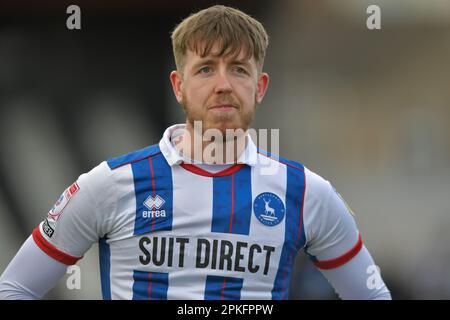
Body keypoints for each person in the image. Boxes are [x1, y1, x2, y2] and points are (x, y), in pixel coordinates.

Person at [0, 5, 391, 300]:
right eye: (205, 69)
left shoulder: (308, 193)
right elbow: (16, 288)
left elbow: (373, 294)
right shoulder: (109, 185)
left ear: (260, 87)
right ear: (178, 85)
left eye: (239, 69)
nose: (223, 85)